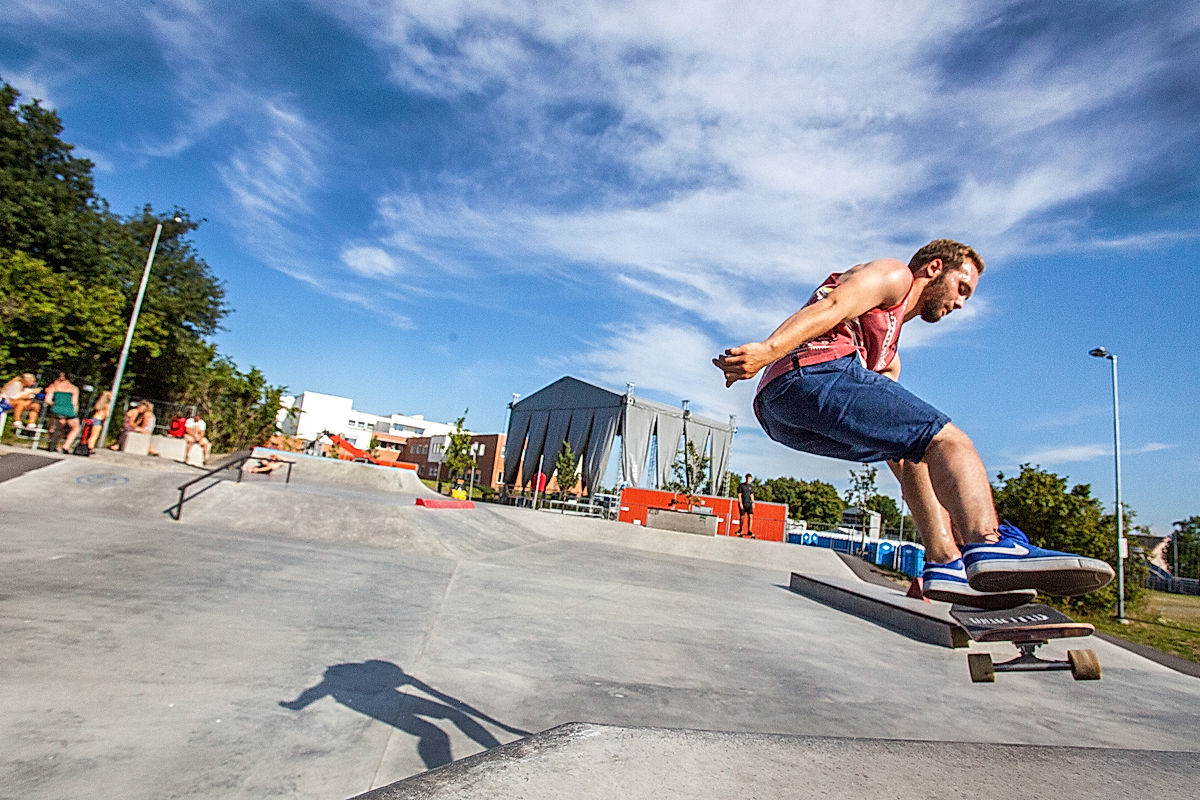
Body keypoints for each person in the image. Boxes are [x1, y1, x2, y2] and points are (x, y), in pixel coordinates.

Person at [713, 239, 1114, 609]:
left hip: (782, 415)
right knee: (950, 441)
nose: (961, 304)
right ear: (935, 268)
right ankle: (990, 542)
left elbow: (900, 455)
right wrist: (766, 350)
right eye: (961, 288)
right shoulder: (895, 276)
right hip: (809, 374)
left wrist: (951, 524)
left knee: (913, 452)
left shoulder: (887, 356)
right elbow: (833, 306)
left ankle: (945, 562)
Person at [43, 372, 80, 453]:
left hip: (57, 408)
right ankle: (66, 446)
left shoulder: (54, 386)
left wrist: (54, 404)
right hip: (69, 410)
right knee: (76, 428)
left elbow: (48, 400)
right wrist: (74, 413)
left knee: (55, 427)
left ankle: (52, 444)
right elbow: (75, 403)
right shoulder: (74, 388)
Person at [737, 473, 755, 538]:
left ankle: (749, 530)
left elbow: (751, 495)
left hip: (749, 504)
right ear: (745, 478)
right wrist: (740, 503)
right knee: (742, 517)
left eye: (749, 479)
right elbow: (739, 495)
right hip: (743, 503)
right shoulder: (741, 485)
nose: (748, 480)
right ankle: (740, 529)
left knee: (750, 516)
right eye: (747, 478)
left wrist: (753, 502)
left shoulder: (751, 487)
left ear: (751, 479)